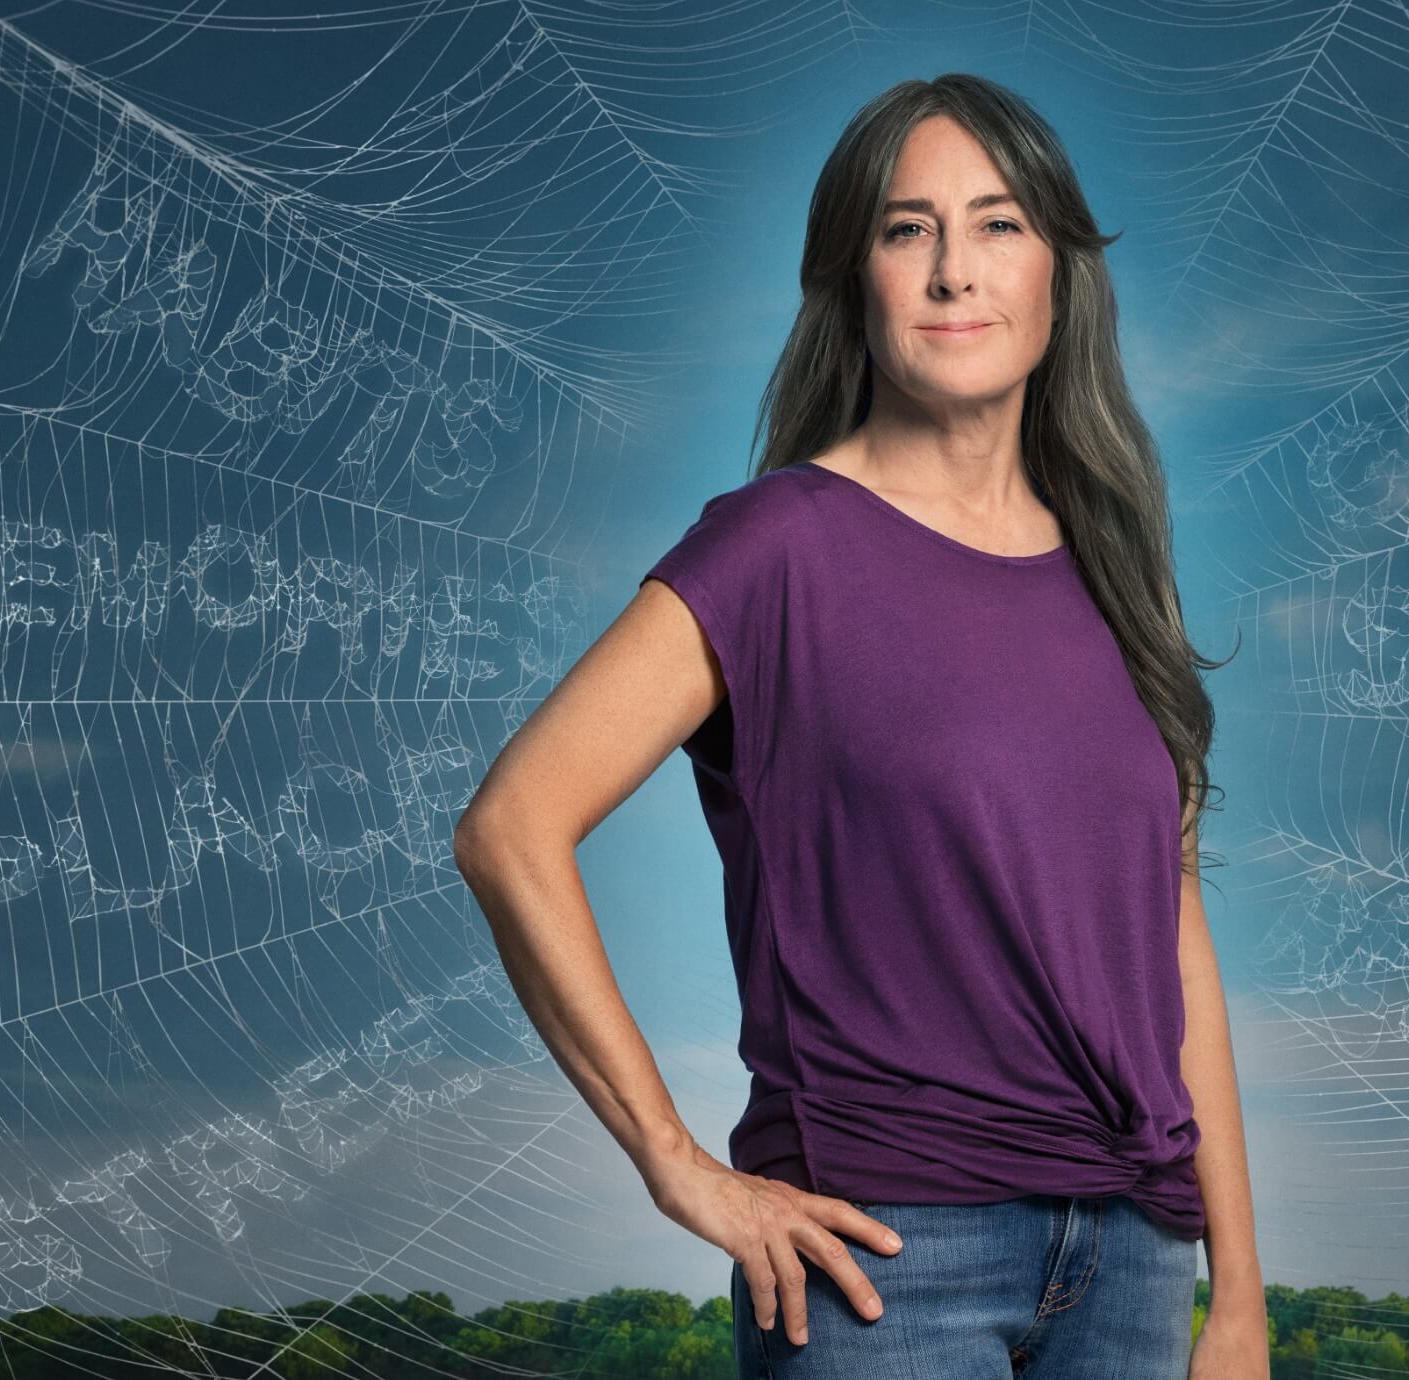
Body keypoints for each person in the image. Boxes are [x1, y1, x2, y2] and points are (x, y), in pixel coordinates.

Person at [452, 73, 1265, 1379]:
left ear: (1062, 277)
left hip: (1138, 1263)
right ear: (855, 278)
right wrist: (679, 1168)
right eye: (907, 229)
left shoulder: (1119, 581)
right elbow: (510, 829)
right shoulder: (778, 547)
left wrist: (1239, 1296)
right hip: (886, 1263)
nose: (956, 271)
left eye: (999, 224)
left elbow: (1172, 939)